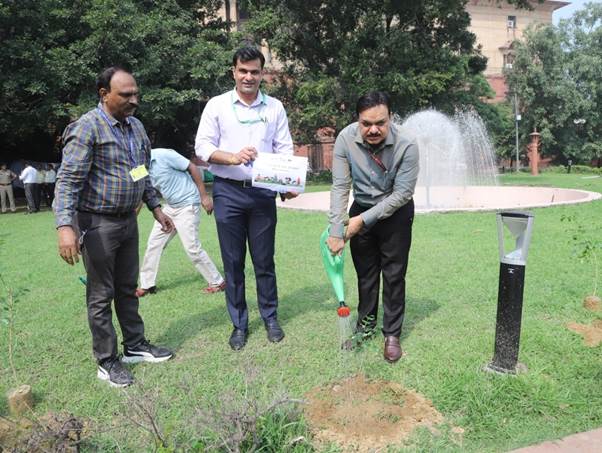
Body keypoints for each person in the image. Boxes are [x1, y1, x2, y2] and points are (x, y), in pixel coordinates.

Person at [54, 66, 175, 387]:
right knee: (100, 294)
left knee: (127, 288)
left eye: (136, 93)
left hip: (127, 221)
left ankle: (134, 346)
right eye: (126, 95)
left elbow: (141, 172)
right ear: (103, 94)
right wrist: (65, 226)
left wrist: (155, 207)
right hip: (97, 224)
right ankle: (107, 361)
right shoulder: (87, 128)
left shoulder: (135, 127)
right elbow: (68, 180)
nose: (134, 100)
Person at [195, 46, 297, 350]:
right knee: (233, 262)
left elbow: (284, 150)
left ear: (262, 74)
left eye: (254, 71)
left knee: (264, 261)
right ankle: (239, 324)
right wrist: (232, 158)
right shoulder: (217, 106)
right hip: (227, 192)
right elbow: (202, 147)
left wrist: (285, 182)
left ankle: (270, 317)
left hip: (263, 193)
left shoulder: (274, 108)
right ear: (233, 72)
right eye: (243, 71)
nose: (249, 77)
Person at [326, 91, 419, 363]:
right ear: (358, 120)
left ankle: (391, 334)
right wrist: (335, 230)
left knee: (393, 275)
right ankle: (364, 328)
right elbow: (341, 186)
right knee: (365, 275)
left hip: (397, 214)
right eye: (366, 124)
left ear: (390, 118)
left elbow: (402, 194)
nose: (374, 129)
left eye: (380, 122)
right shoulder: (345, 139)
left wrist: (360, 222)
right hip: (361, 208)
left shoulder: (407, 144)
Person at [137, 148, 225, 297]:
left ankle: (218, 282)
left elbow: (193, 167)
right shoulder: (138, 168)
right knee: (154, 244)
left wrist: (204, 196)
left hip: (188, 205)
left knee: (192, 247)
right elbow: (140, 193)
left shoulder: (164, 155)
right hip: (169, 208)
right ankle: (147, 285)